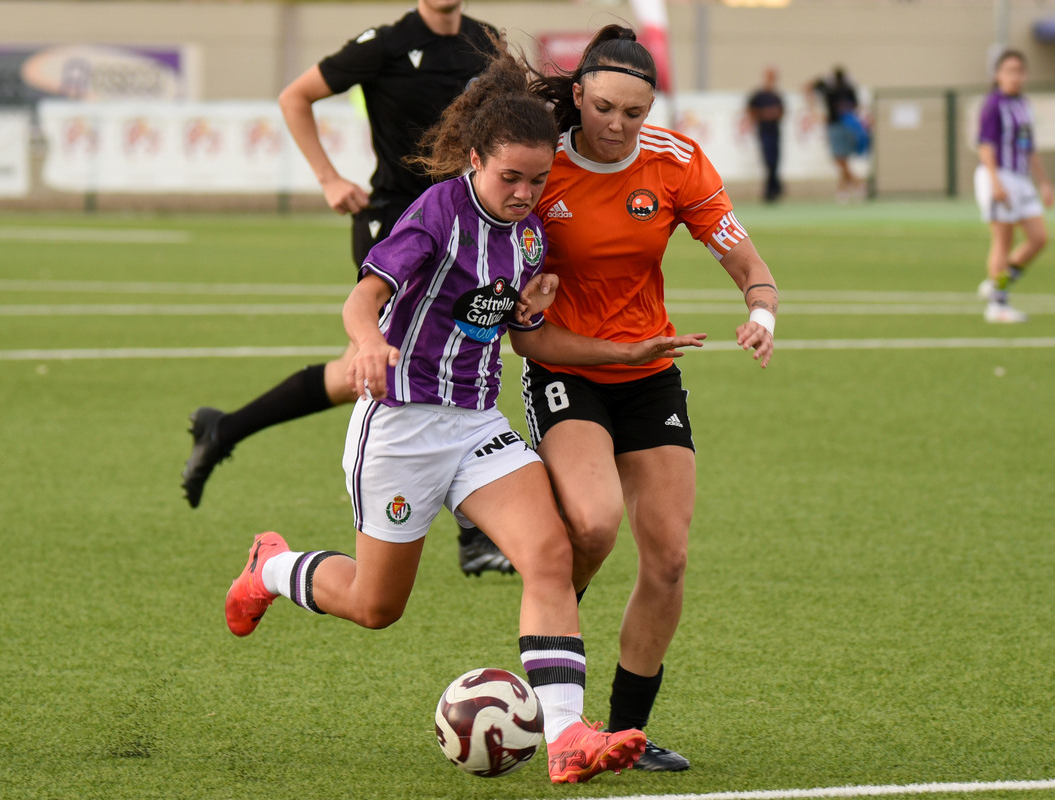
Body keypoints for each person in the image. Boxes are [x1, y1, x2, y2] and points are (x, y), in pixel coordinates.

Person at [222, 47, 706, 784]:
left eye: (537, 180)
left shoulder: (532, 233)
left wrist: (609, 345)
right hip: (403, 428)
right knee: (377, 605)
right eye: (509, 177)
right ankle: (273, 566)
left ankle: (568, 734)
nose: (522, 192)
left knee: (548, 554)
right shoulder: (437, 213)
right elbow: (364, 296)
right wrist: (367, 343)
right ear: (475, 158)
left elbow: (520, 333)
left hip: (477, 423)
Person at [182, 0, 514, 576]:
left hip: (465, 229)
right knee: (442, 351)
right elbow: (295, 96)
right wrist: (329, 177)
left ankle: (225, 427)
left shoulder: (485, 42)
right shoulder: (384, 43)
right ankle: (475, 534)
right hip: (397, 226)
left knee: (372, 366)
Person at [524, 25, 779, 771]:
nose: (618, 125)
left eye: (634, 113)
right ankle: (550, 686)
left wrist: (760, 311)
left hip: (650, 371)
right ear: (577, 95)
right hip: (566, 368)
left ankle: (625, 735)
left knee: (667, 558)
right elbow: (525, 336)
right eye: (604, 107)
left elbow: (744, 257)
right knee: (595, 525)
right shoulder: (540, 167)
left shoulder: (676, 161)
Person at [974, 49, 1053, 324]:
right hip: (999, 176)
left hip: (1021, 179)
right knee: (1002, 241)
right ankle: (998, 305)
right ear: (998, 75)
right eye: (1009, 70)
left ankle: (996, 284)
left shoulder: (1023, 104)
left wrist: (1043, 183)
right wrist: (996, 183)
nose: (1015, 76)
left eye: (1019, 70)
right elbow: (985, 146)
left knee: (1039, 238)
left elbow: (1029, 147)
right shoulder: (993, 104)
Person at [808, 67, 865, 201]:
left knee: (839, 158)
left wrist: (824, 78)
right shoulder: (848, 89)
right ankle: (842, 190)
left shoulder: (831, 89)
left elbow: (812, 86)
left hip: (838, 125)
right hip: (846, 125)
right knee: (842, 159)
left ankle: (857, 183)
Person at [746, 67, 785, 203]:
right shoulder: (759, 95)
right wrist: (763, 115)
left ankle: (773, 189)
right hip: (764, 131)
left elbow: (782, 111)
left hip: (775, 131)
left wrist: (773, 114)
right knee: (768, 160)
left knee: (775, 160)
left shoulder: (776, 95)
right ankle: (772, 189)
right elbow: (751, 109)